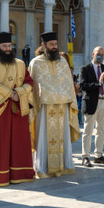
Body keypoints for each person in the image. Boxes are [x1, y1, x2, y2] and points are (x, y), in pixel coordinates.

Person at [0, 32, 35, 187]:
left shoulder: (20, 64)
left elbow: (29, 82)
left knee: (20, 142)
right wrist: (11, 94)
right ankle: (0, 175)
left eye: (9, 46)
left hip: (18, 109)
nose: (7, 49)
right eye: (4, 46)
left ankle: (20, 173)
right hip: (1, 111)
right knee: (0, 141)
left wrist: (20, 93)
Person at [28, 32, 80, 178]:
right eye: (51, 44)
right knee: (43, 136)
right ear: (43, 45)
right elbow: (33, 85)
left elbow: (68, 84)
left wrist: (69, 99)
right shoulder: (35, 63)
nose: (54, 47)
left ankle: (64, 166)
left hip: (62, 106)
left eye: (56, 44)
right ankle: (42, 168)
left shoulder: (63, 62)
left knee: (62, 137)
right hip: (43, 107)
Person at [79, 46, 104, 167]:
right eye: (98, 54)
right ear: (93, 54)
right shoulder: (85, 69)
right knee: (88, 131)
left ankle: (98, 155)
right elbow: (82, 85)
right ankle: (85, 156)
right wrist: (98, 83)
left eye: (102, 54)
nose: (100, 56)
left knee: (101, 130)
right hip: (91, 102)